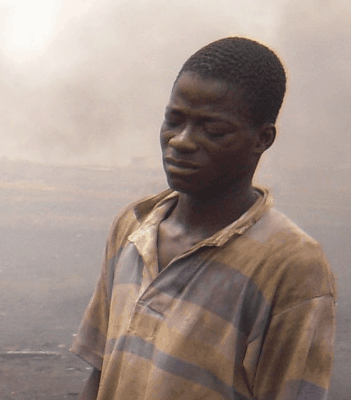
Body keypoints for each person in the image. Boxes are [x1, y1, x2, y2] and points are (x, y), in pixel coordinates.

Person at [73, 37, 335, 400]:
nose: (181, 141)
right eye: (174, 120)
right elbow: (102, 371)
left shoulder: (292, 265)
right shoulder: (133, 227)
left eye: (213, 130)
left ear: (262, 138)